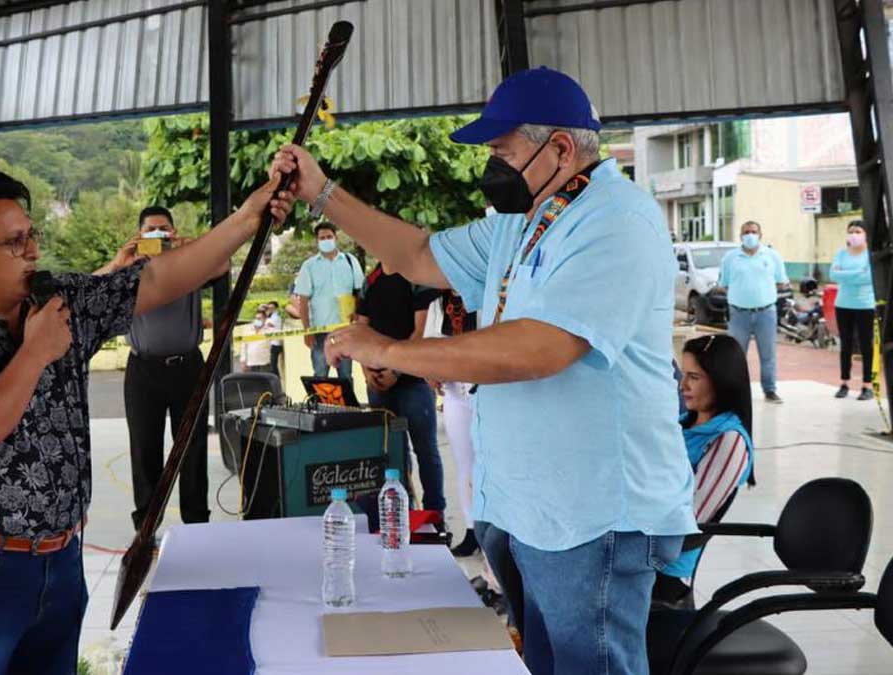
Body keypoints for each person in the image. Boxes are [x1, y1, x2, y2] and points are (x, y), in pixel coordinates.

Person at [270, 66, 695, 675]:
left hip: (594, 515)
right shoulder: (517, 223)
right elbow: (416, 255)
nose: (491, 165)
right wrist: (322, 193)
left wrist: (388, 350)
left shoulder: (615, 223)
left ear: (560, 148)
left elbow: (539, 349)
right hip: (529, 511)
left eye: (502, 151)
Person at [0, 171, 291, 675]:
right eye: (14, 242)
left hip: (60, 559)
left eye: (31, 234)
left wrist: (249, 215)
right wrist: (35, 353)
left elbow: (160, 278)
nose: (32, 250)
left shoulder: (59, 302)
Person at [107, 206, 217, 533]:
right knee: (145, 449)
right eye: (151, 229)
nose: (159, 235)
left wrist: (195, 246)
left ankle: (196, 525)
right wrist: (121, 259)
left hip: (188, 367)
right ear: (139, 235)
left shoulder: (191, 263)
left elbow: (222, 264)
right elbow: (97, 290)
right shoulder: (129, 270)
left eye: (164, 229)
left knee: (192, 448)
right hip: (143, 370)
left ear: (174, 231)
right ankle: (146, 530)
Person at [653, 334, 755, 608]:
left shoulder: (728, 440)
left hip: (664, 570)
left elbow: (691, 521)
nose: (682, 385)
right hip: (644, 550)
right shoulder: (681, 425)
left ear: (722, 381)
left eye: (694, 377)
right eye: (683, 375)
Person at [355, 261, 446, 516]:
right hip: (378, 382)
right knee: (391, 453)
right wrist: (366, 369)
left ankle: (435, 516)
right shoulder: (371, 279)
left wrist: (396, 369)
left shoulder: (417, 275)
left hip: (413, 380)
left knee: (425, 450)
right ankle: (400, 515)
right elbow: (360, 327)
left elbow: (422, 330)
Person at [424, 289, 480, 556]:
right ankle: (472, 530)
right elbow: (428, 346)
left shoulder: (485, 293)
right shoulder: (438, 303)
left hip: (487, 387)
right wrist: (429, 371)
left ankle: (496, 531)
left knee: (492, 461)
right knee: (464, 462)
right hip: (453, 390)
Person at [718, 220, 789, 403]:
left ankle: (770, 390)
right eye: (746, 231)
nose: (750, 235)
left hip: (766, 313)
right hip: (738, 314)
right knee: (735, 355)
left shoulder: (772, 256)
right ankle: (735, 393)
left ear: (760, 234)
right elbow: (724, 284)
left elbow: (781, 281)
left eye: (754, 231)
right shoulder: (730, 258)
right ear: (741, 235)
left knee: (768, 354)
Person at [293, 222, 364, 379]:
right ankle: (321, 404)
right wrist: (307, 332)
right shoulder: (309, 266)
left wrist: (357, 313)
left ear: (336, 237)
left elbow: (359, 292)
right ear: (317, 241)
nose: (326, 240)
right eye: (322, 238)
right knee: (320, 375)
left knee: (346, 375)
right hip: (319, 332)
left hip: (345, 330)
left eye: (329, 237)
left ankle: (346, 405)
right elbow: (303, 301)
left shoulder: (350, 261)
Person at [831, 221, 877, 401]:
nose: (854, 234)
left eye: (858, 231)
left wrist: (846, 275)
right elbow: (834, 275)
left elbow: (869, 277)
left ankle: (867, 385)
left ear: (865, 234)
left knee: (867, 346)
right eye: (851, 231)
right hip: (843, 304)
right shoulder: (841, 254)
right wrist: (857, 273)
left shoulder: (870, 255)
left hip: (865, 305)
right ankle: (844, 383)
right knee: (846, 345)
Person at [239, 309, 274, 374]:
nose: (257, 320)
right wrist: (243, 361)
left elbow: (279, 336)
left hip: (264, 363)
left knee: (264, 383)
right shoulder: (248, 330)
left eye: (260, 318)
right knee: (252, 383)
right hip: (250, 363)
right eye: (256, 318)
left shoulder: (269, 331)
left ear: (265, 319)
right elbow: (243, 346)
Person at [263, 303, 284, 380]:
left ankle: (276, 381)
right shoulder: (271, 317)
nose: (270, 309)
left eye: (272, 307)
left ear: (276, 308)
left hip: (276, 344)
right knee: (272, 365)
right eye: (269, 307)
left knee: (273, 366)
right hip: (272, 343)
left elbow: (266, 324)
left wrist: (266, 315)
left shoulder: (276, 317)